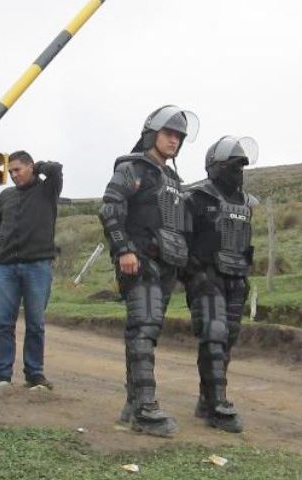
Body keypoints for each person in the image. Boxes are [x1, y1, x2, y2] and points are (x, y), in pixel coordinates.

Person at [99, 105, 199, 437]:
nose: (174, 141)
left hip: (166, 266)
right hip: (139, 261)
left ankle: (133, 406)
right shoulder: (132, 168)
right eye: (169, 134)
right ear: (152, 134)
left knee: (147, 332)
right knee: (142, 329)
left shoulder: (172, 179)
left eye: (179, 137)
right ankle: (144, 408)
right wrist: (123, 249)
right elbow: (109, 209)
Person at [182, 136, 258, 433]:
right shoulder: (196, 197)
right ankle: (218, 404)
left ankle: (206, 399)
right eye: (233, 165)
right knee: (213, 336)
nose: (238, 170)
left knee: (227, 339)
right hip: (207, 276)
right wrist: (193, 274)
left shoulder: (246, 202)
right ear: (215, 166)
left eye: (241, 165)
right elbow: (182, 241)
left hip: (237, 278)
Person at [0, 151, 62, 389]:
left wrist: (39, 166)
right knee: (3, 324)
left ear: (30, 167)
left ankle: (34, 374)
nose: (13, 175)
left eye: (18, 169)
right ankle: (2, 377)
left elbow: (56, 169)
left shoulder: (47, 190)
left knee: (35, 323)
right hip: (6, 266)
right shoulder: (5, 196)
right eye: (10, 172)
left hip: (37, 265)